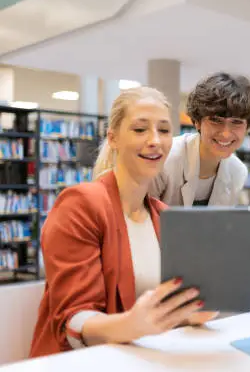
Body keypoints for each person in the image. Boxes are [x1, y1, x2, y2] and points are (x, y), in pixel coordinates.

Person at [29, 87, 214, 358]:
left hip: (143, 358)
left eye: (164, 131)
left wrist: (192, 312)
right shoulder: (80, 204)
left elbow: (163, 309)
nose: (155, 141)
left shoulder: (165, 216)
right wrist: (132, 325)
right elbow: (74, 320)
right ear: (113, 138)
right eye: (140, 130)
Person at [149, 72, 250, 206]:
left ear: (246, 127)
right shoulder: (165, 158)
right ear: (197, 122)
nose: (226, 134)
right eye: (215, 120)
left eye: (236, 122)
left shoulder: (237, 172)